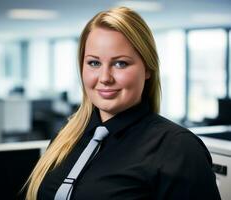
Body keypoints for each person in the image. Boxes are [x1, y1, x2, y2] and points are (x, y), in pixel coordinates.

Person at [25, 7, 221, 200]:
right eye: (94, 63)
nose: (105, 78)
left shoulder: (177, 147)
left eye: (121, 63)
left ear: (147, 69)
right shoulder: (68, 135)